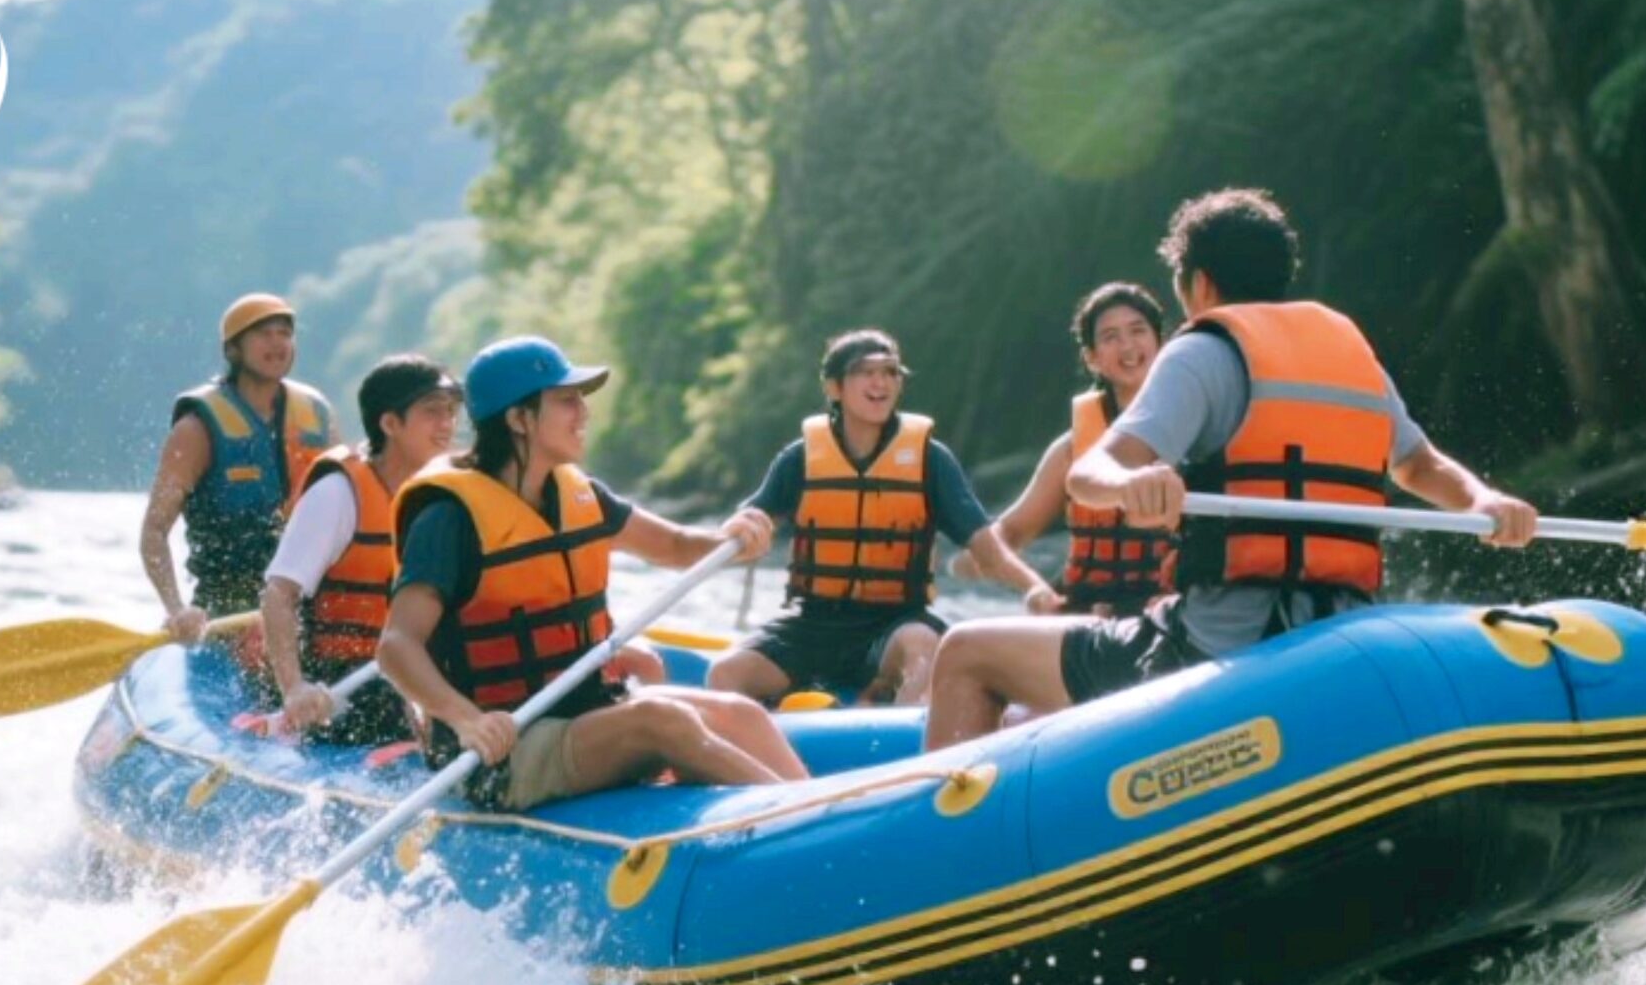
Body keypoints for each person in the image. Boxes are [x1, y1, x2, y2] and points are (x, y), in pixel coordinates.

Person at [924, 189, 1538, 748]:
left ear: (1199, 284)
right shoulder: (1353, 358)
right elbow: (1420, 465)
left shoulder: (1200, 352)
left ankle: (944, 857)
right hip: (1345, 632)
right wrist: (1483, 501)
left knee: (965, 649)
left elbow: (1092, 472)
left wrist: (1129, 481)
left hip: (1212, 646)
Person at [376, 337, 812, 812]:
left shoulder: (579, 495)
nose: (582, 413)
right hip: (502, 746)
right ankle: (797, 819)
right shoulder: (448, 518)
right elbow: (397, 646)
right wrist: (466, 720)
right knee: (661, 718)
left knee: (742, 715)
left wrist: (731, 539)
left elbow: (675, 546)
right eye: (566, 401)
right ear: (519, 419)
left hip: (587, 710)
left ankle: (819, 812)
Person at [707, 329, 1060, 708]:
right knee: (726, 673)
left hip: (894, 625)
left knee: (923, 648)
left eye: (891, 372)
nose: (881, 382)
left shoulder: (930, 460)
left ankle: (906, 744)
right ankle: (772, 745)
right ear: (834, 388)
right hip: (814, 625)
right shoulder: (800, 458)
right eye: (865, 372)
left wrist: (1035, 589)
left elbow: (987, 549)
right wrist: (740, 525)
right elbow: (752, 520)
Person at [261, 355, 463, 742]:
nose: (447, 425)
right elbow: (278, 595)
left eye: (451, 413)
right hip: (342, 680)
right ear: (390, 424)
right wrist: (294, 688)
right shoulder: (337, 495)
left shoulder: (446, 497)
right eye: (433, 413)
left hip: (414, 671)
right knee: (381, 701)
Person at [964, 281, 1178, 618]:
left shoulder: (1197, 431)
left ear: (1161, 344)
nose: (1127, 346)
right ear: (1092, 358)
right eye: (1110, 337)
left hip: (1166, 610)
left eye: (1138, 331)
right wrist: (1032, 586)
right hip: (1086, 609)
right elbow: (1012, 531)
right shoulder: (1073, 449)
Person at [141, 293, 338, 642]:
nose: (277, 343)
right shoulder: (196, 429)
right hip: (227, 613)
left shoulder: (317, 416)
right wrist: (175, 609)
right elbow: (154, 532)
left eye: (285, 333)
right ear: (233, 350)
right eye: (264, 334)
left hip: (309, 612)